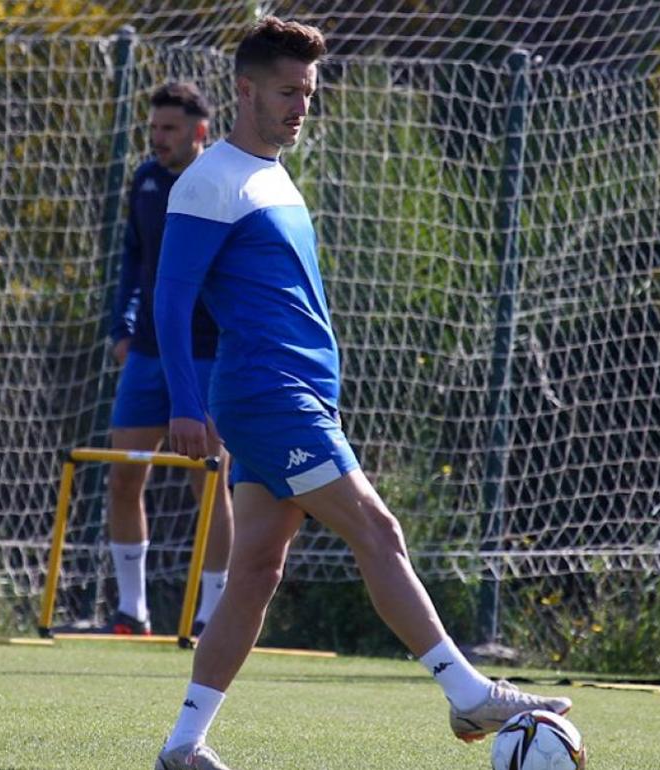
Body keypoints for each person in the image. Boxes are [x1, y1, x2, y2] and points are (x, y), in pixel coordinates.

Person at [150, 17, 571, 770]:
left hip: (291, 395)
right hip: (270, 396)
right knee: (377, 530)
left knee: (254, 572)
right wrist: (185, 403)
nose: (300, 107)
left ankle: (184, 744)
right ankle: (467, 689)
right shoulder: (208, 181)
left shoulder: (272, 174)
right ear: (245, 91)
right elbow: (170, 300)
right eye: (287, 92)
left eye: (308, 93)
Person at [104, 82, 233, 638]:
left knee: (210, 481)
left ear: (199, 132)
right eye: (153, 128)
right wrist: (124, 325)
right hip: (148, 355)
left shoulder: (221, 184)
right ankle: (132, 611)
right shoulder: (146, 180)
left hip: (206, 354)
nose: (158, 138)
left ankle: (211, 614)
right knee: (124, 474)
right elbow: (134, 258)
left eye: (169, 129)